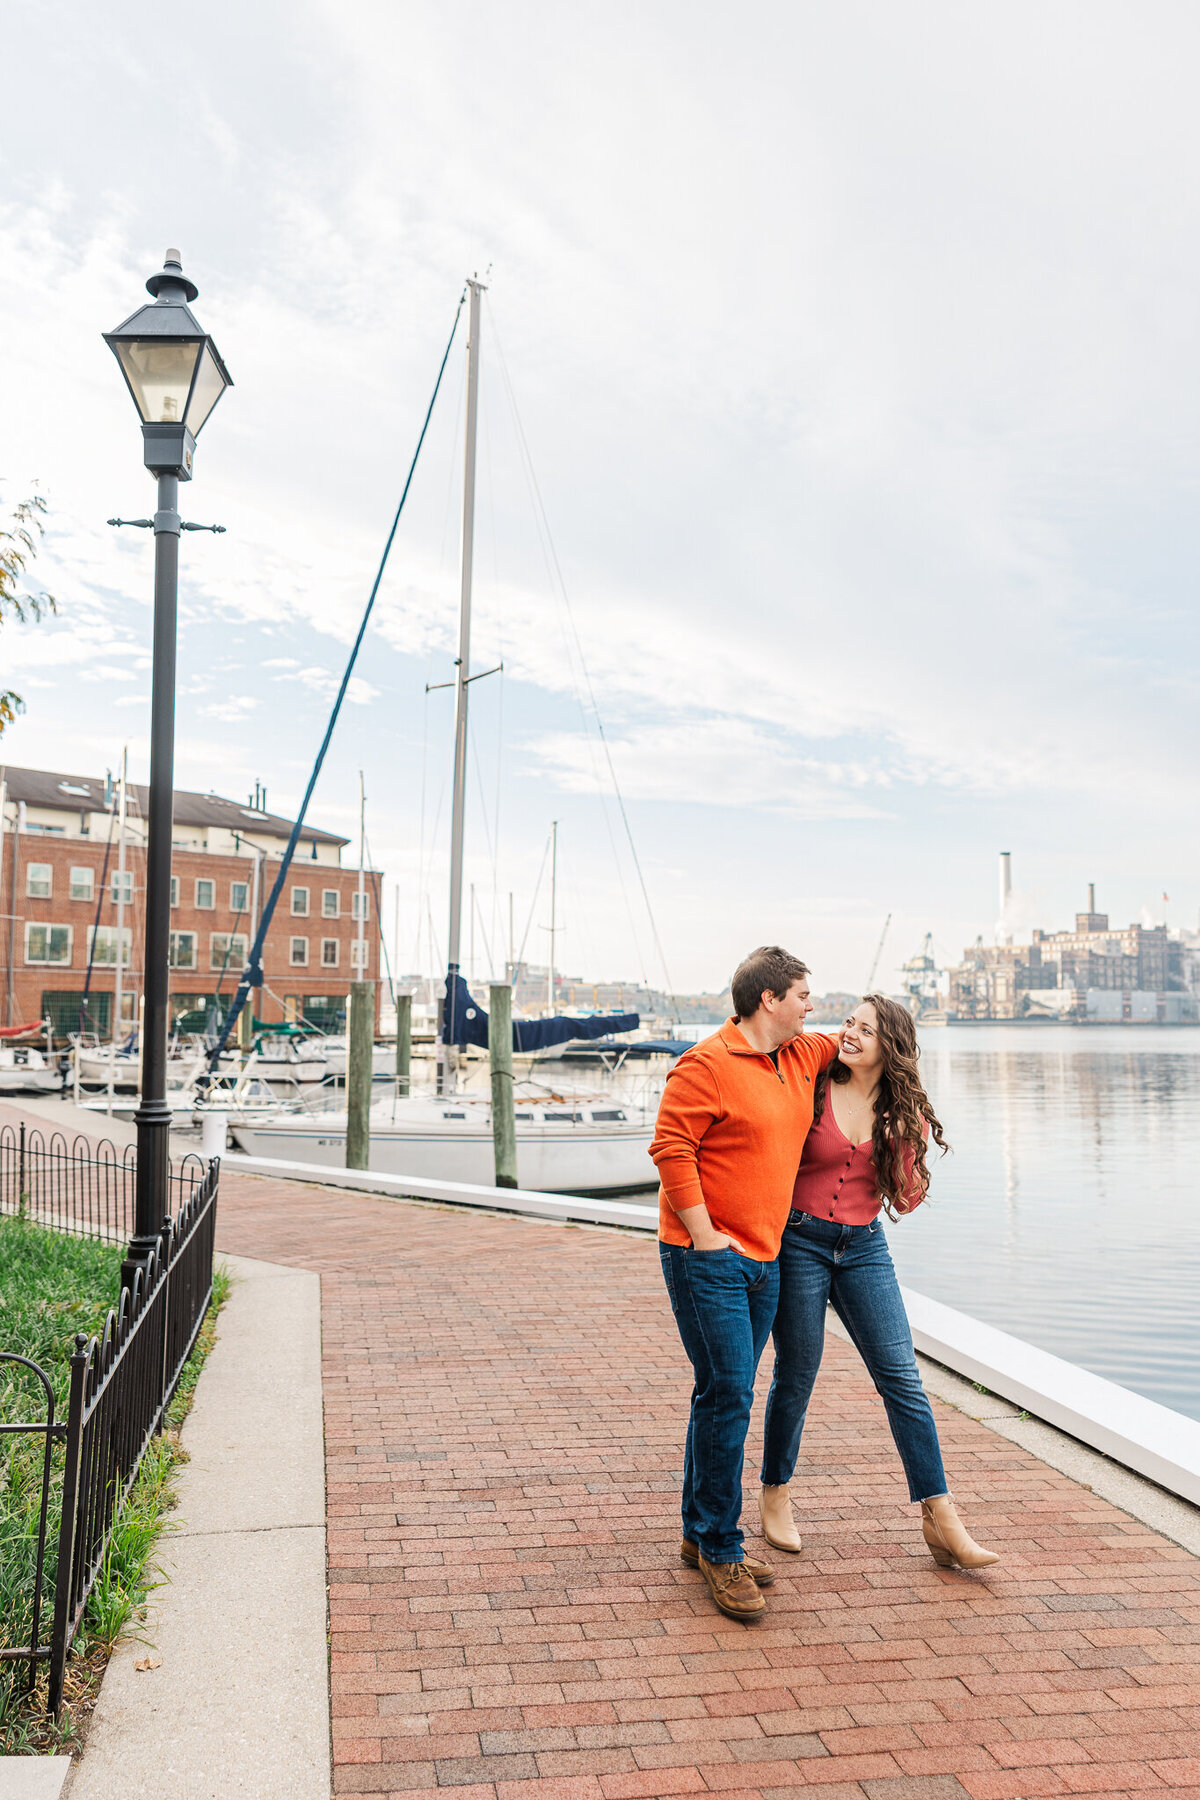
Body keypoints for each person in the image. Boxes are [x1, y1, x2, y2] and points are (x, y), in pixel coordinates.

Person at [759, 993, 999, 1570]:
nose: (850, 1033)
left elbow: (908, 1201)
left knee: (903, 1379)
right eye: (848, 1022)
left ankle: (940, 1516)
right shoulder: (814, 1085)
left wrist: (903, 1143)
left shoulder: (900, 1111)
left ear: (888, 1045)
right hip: (800, 1241)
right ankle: (775, 1494)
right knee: (797, 1372)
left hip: (864, 1248)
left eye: (865, 1029)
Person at [651, 946, 839, 1621]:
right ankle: (724, 1549)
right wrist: (704, 1236)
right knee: (730, 1393)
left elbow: (856, 1043)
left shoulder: (800, 1055)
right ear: (769, 1000)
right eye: (803, 994)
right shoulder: (705, 1065)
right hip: (708, 1259)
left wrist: (879, 1035)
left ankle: (698, 1535)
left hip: (767, 1259)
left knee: (719, 1394)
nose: (812, 1005)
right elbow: (671, 1150)